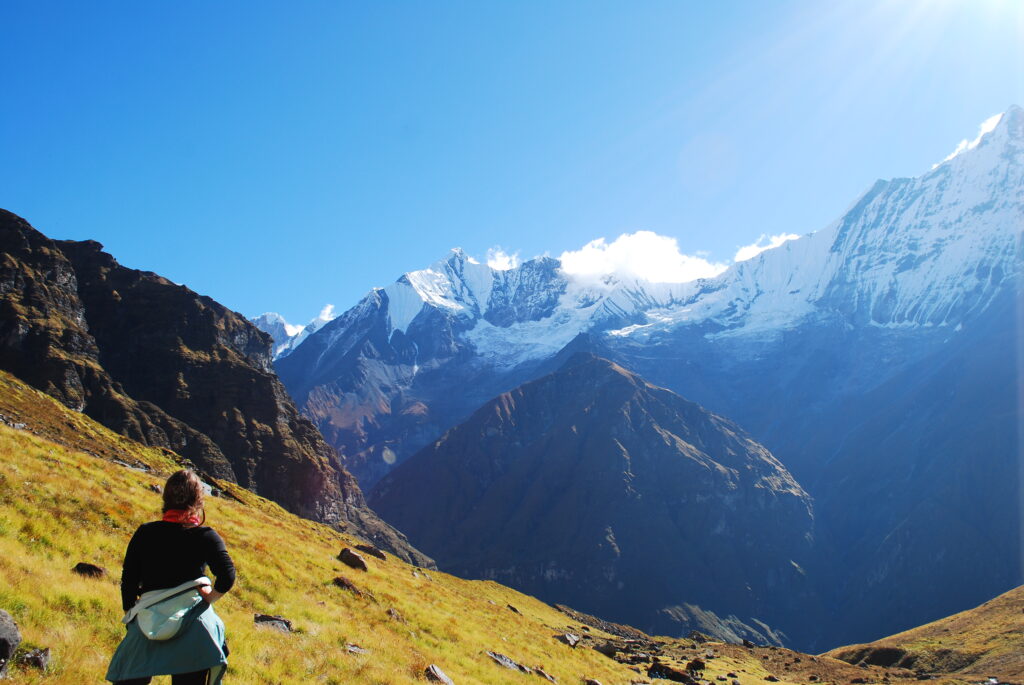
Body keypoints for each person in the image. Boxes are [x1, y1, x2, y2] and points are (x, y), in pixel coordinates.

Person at [106, 470, 236, 685]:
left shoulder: (145, 533)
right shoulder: (206, 536)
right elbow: (227, 575)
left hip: (148, 617)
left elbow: (128, 579)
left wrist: (132, 613)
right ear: (199, 500)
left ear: (166, 499)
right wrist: (209, 598)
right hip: (194, 624)